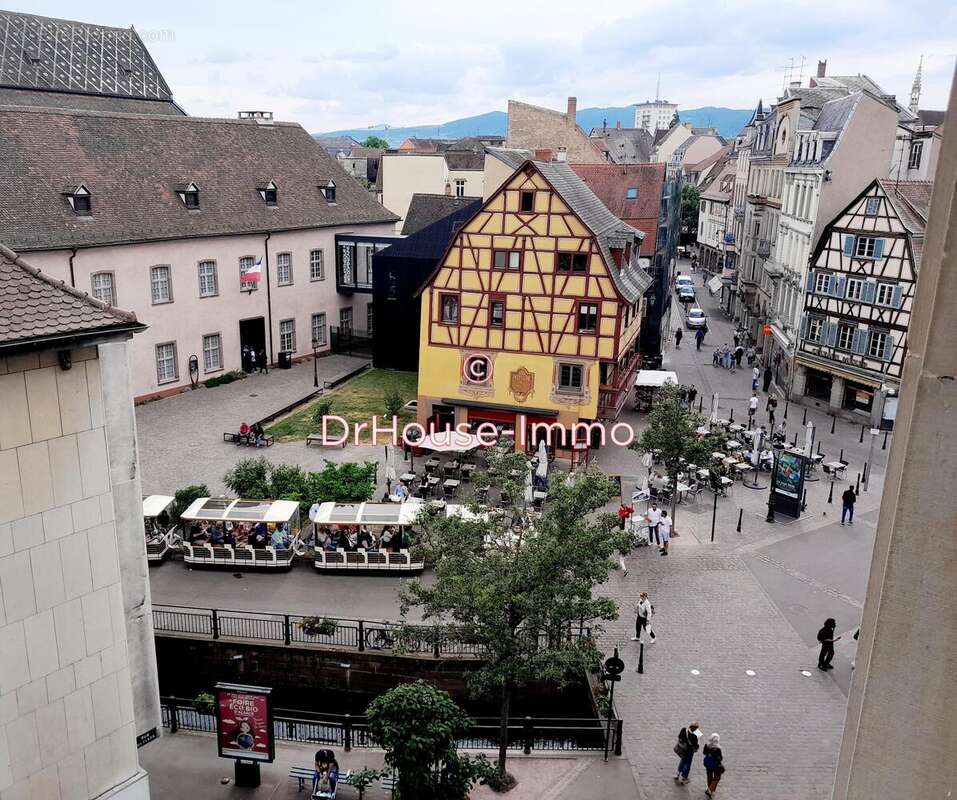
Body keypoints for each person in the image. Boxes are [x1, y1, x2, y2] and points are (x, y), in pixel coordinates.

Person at [702, 732, 724, 797]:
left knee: (709, 776)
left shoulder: (707, 745)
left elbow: (704, 753)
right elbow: (720, 758)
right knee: (717, 777)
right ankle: (710, 790)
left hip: (708, 764)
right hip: (716, 765)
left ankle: (709, 789)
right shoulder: (718, 749)